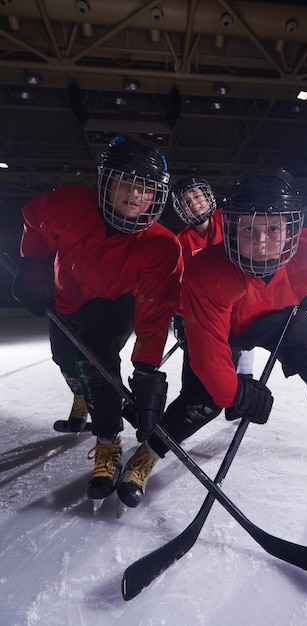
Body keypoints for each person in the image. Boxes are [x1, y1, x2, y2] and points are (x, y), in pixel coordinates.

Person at [126, 168, 307, 506]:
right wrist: (233, 395)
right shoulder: (207, 270)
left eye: (273, 229)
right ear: (230, 227)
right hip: (224, 326)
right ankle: (149, 451)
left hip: (276, 317)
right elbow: (209, 355)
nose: (261, 242)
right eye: (249, 229)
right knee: (202, 401)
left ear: (292, 228)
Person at [11, 134, 183, 509]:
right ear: (107, 181)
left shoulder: (163, 245)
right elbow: (33, 220)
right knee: (66, 362)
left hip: (114, 308)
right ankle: (81, 394)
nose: (137, 194)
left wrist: (146, 370)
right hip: (65, 301)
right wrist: (34, 263)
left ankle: (108, 443)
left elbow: (154, 313)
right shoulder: (69, 205)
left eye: (147, 188)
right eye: (128, 182)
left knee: (99, 365)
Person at [171, 175, 254, 376]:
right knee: (211, 371)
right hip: (211, 314)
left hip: (241, 305)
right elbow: (182, 283)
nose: (194, 204)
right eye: (187, 202)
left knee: (242, 369)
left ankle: (244, 387)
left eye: (198, 197)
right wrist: (182, 318)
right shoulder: (182, 241)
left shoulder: (230, 219)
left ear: (208, 198)